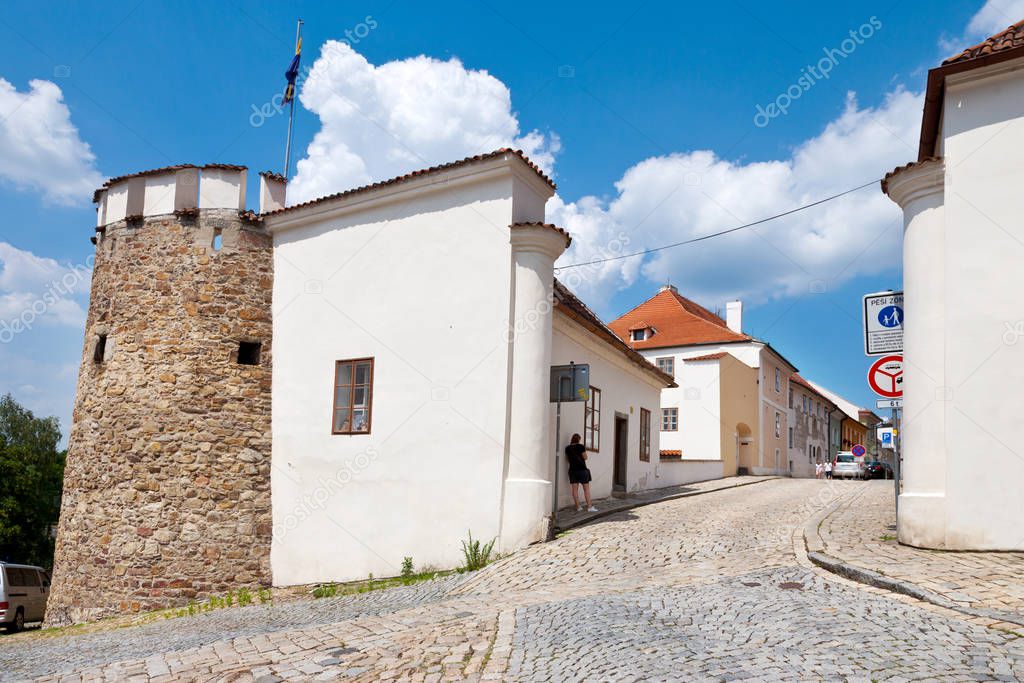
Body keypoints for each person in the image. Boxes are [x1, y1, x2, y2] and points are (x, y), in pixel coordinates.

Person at [565, 433, 597, 512]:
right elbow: (585, 457)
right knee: (586, 489)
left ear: (572, 439)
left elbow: (568, 459)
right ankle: (589, 507)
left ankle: (578, 507)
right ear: (579, 439)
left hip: (572, 470)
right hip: (582, 470)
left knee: (574, 490)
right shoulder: (581, 446)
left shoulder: (567, 448)